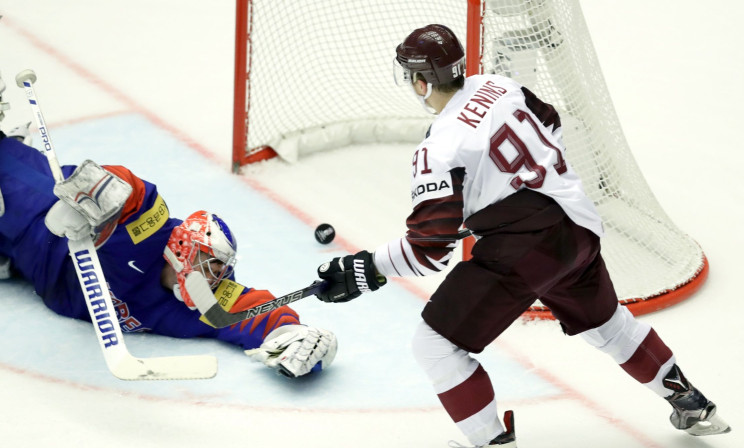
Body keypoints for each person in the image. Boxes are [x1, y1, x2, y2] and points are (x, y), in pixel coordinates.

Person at [313, 24, 730, 447]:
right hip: (577, 224)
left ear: (420, 81)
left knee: (434, 345)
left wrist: (364, 268)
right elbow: (551, 122)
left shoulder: (438, 147)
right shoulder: (499, 85)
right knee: (607, 324)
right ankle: (692, 402)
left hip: (524, 247)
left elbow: (429, 252)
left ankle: (493, 443)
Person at [0, 0, 336, 379]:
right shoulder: (153, 231)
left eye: (219, 271)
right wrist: (98, 191)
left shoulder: (203, 301)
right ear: (183, 250)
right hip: (42, 218)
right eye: (211, 266)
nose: (215, 280)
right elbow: (138, 197)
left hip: (29, 259)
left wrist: (295, 337)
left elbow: (258, 311)